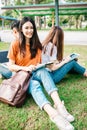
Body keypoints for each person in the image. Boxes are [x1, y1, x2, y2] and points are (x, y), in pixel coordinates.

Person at [7, 16, 74, 130]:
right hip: (20, 78)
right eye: (26, 28)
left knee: (42, 70)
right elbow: (10, 66)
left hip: (34, 73)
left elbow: (41, 65)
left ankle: (59, 106)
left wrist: (47, 64)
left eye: (31, 28)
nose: (29, 30)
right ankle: (54, 115)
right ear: (21, 29)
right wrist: (26, 68)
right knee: (35, 85)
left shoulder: (37, 45)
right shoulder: (15, 43)